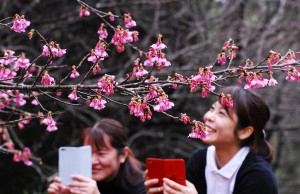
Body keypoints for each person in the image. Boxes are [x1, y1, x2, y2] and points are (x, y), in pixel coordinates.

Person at [145, 86, 279, 194]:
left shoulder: (258, 176)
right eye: (212, 109)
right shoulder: (200, 159)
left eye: (222, 113)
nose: (209, 116)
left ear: (244, 131)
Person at [48, 118, 147, 194]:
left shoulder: (144, 186)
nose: (92, 161)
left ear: (123, 155)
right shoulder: (78, 184)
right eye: (88, 153)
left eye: (101, 153)